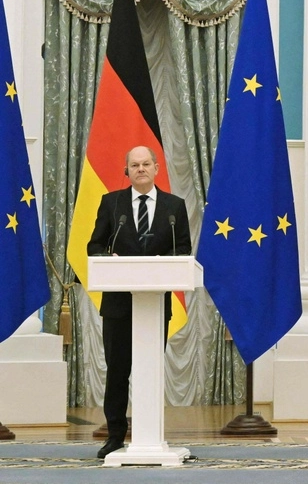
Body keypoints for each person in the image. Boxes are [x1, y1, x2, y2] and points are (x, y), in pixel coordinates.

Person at [87, 146, 190, 460]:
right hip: (118, 304)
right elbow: (94, 246)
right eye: (135, 165)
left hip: (156, 305)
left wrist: (163, 263)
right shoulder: (112, 203)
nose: (141, 169)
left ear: (157, 168)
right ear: (126, 171)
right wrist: (109, 258)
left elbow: (183, 250)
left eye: (146, 164)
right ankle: (115, 436)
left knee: (148, 370)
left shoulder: (174, 207)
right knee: (118, 371)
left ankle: (150, 435)